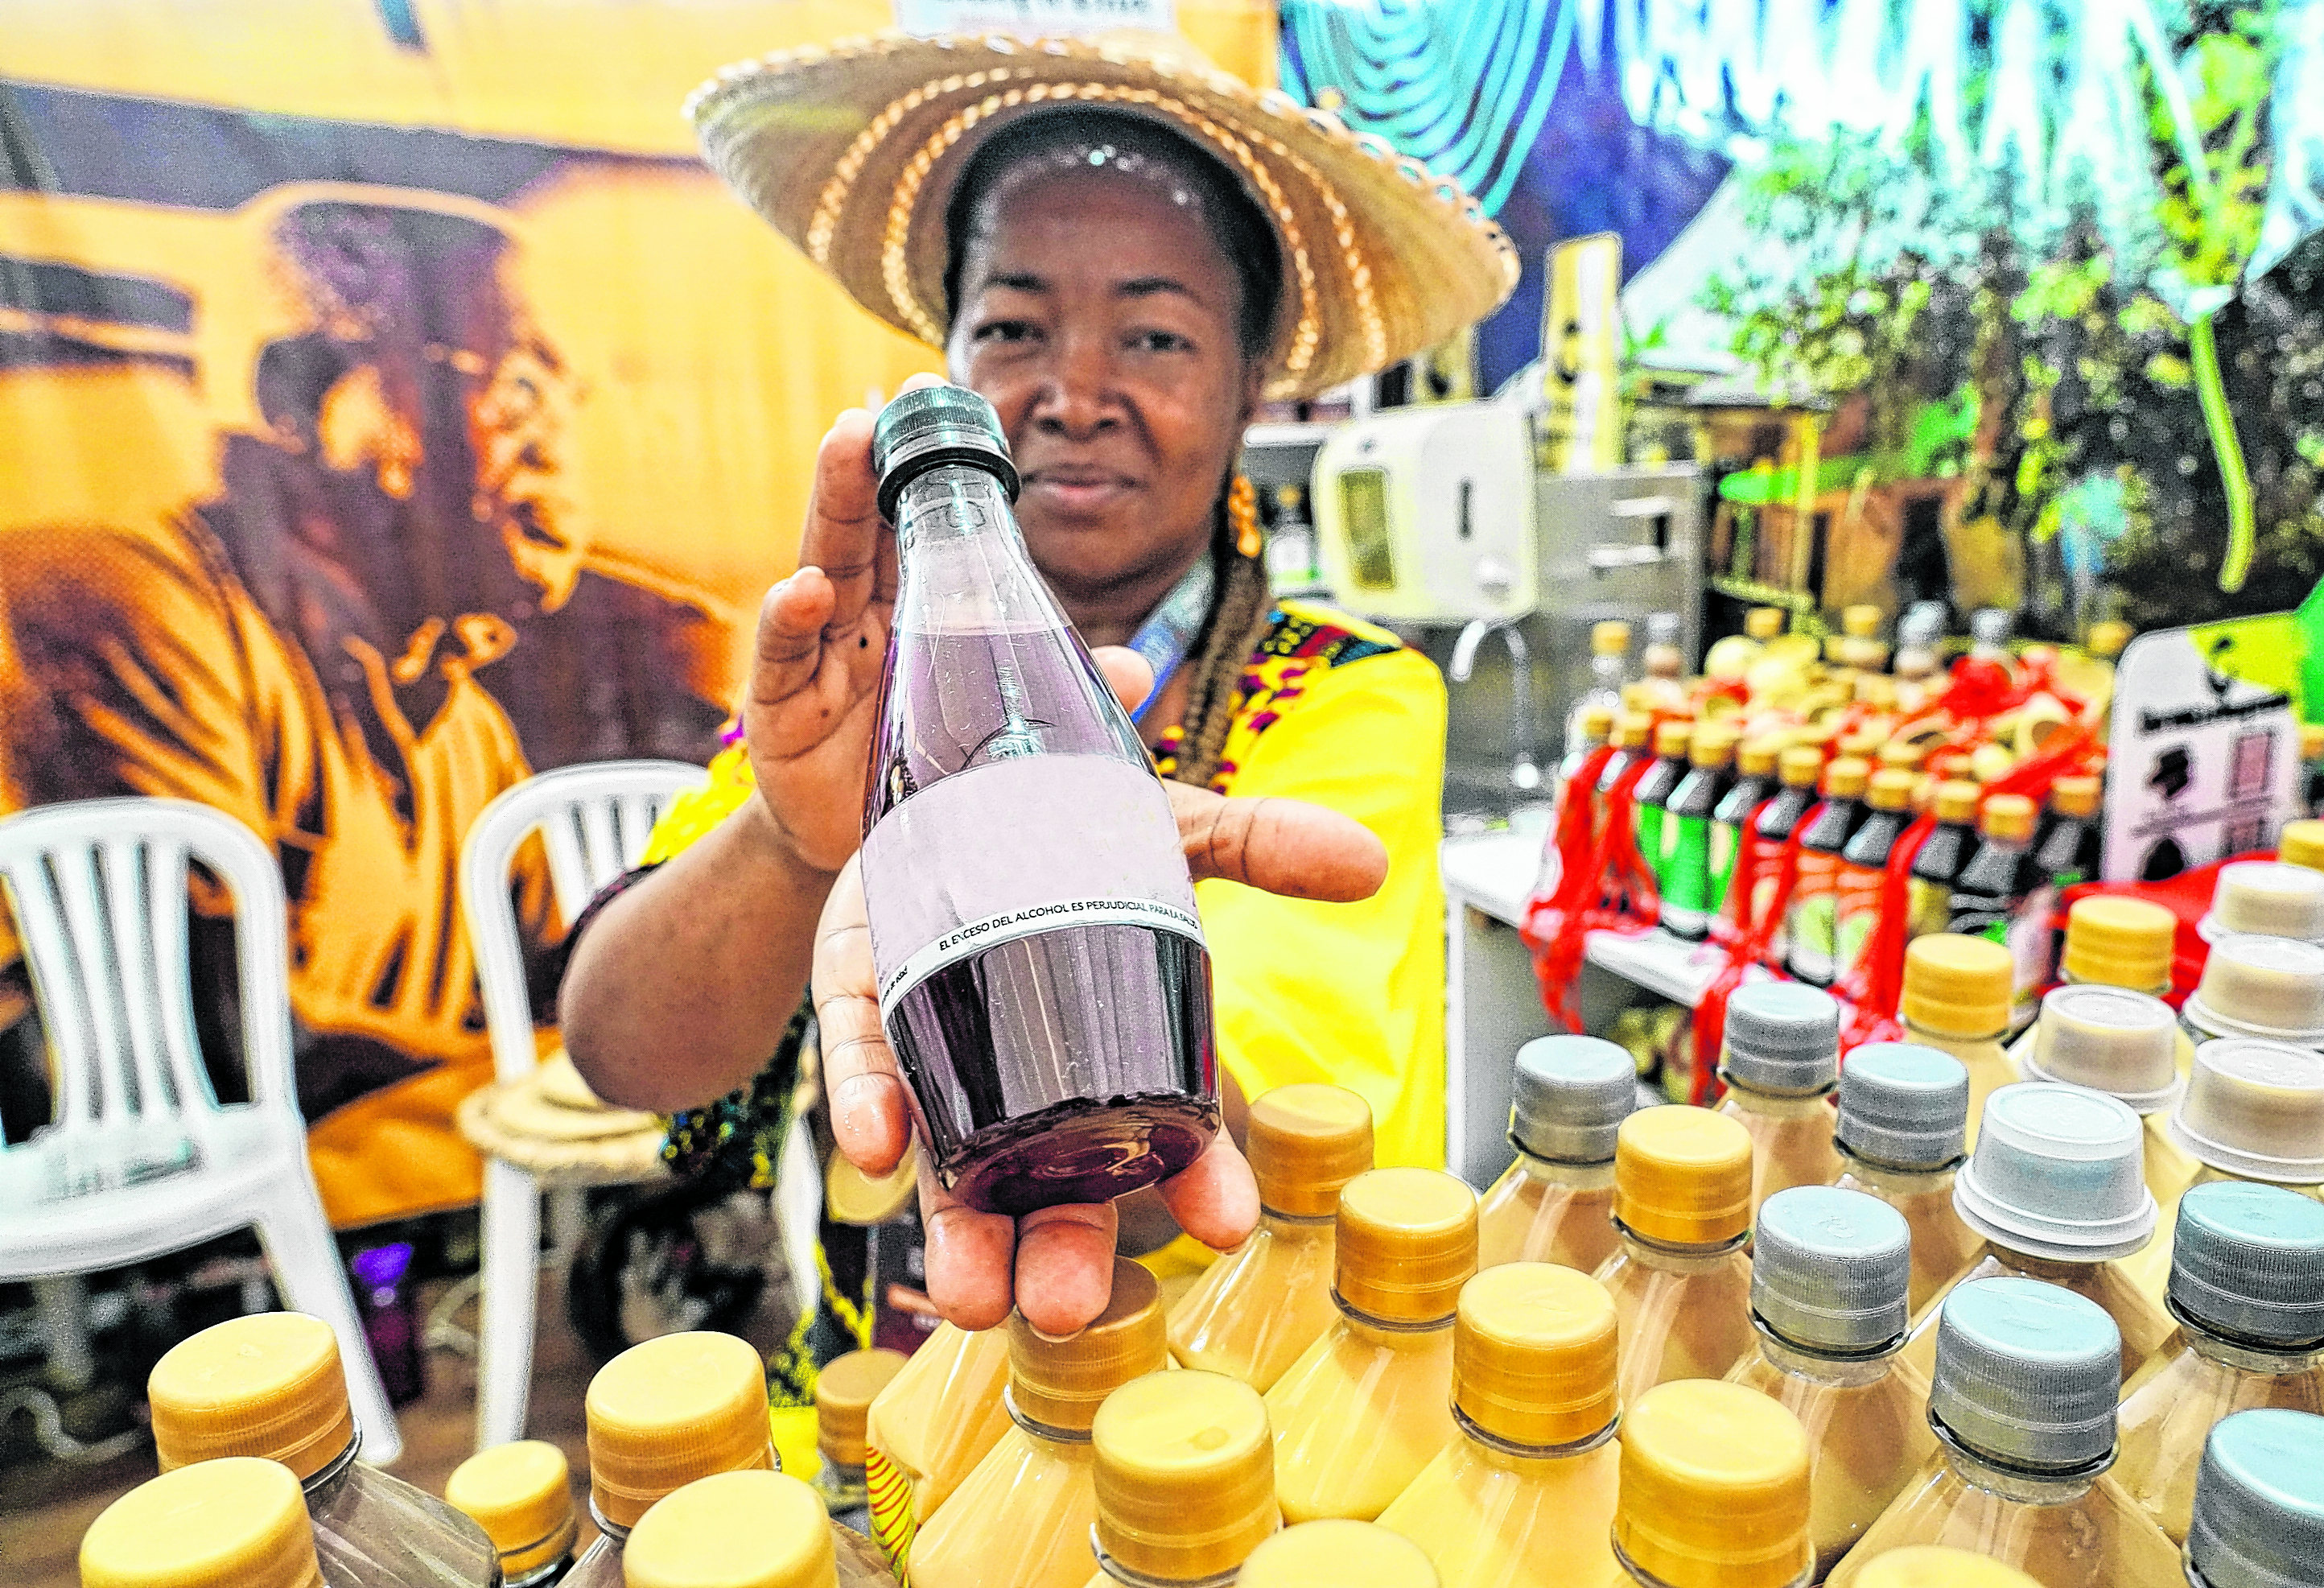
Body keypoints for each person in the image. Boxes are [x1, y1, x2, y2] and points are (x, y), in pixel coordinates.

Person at [559, 29, 1518, 1347]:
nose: (1071, 393)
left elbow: (1261, 1123)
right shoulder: (858, 691)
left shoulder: (1351, 696)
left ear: (1251, 389)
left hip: (1225, 1426)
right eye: (1012, 325)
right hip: (893, 1418)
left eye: (1157, 335)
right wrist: (795, 846)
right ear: (946, 362)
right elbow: (626, 1050)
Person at [0, 191, 724, 1227]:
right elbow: (229, 1040)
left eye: (568, 397)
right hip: (146, 1185)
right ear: (301, 402)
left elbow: (563, 985)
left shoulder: (461, 723)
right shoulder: (119, 604)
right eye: (513, 386)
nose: (558, 438)